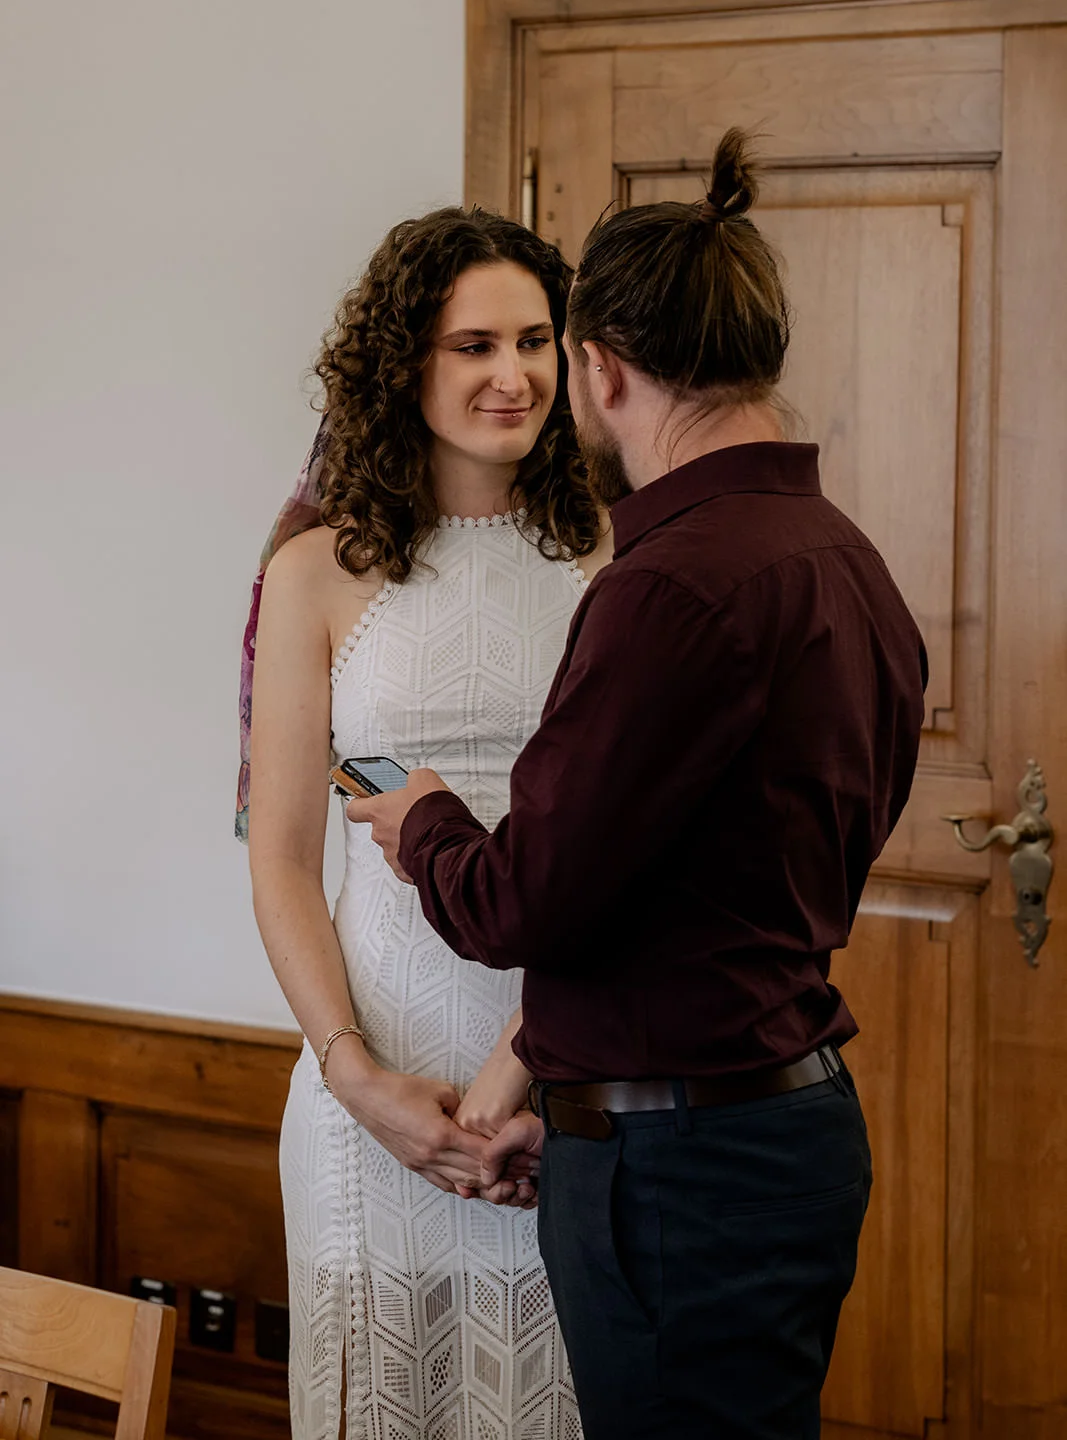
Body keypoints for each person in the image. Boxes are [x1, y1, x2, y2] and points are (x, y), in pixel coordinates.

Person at [345, 129, 929, 1440]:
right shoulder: (848, 561)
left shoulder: (666, 585)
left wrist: (422, 815)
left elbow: (521, 907)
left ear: (600, 369)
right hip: (773, 1122)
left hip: (682, 1165)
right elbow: (700, 878)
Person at [245, 207, 609, 1439]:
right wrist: (355, 1076)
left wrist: (519, 1080)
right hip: (371, 1073)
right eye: (471, 345)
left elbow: (619, 850)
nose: (511, 376)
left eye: (534, 340)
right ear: (404, 361)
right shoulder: (315, 571)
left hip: (554, 1082)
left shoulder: (609, 559)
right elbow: (287, 858)